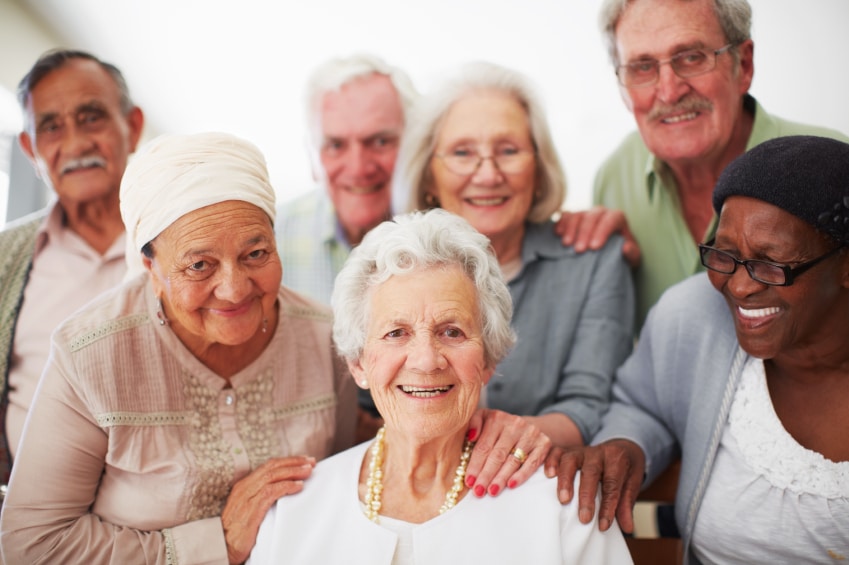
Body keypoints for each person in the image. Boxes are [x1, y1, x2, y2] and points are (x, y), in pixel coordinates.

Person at [0, 131, 357, 564]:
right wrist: (215, 545)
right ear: (151, 268)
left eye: (256, 253)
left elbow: (341, 486)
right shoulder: (90, 355)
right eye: (200, 265)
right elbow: (32, 545)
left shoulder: (323, 336)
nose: (234, 289)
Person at [248, 209, 633, 564]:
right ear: (358, 364)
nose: (426, 360)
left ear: (487, 360)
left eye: (452, 331)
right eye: (396, 333)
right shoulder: (293, 514)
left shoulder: (564, 508)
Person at [551, 136, 849, 564]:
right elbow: (643, 404)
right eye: (724, 255)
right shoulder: (692, 315)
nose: (741, 286)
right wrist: (627, 444)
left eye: (771, 264)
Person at [556, 0, 849, 329]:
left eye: (692, 57)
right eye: (642, 66)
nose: (668, 92)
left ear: (745, 65)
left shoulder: (835, 166)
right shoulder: (615, 177)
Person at [394, 61, 635, 449]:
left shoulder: (595, 262)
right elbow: (366, 399)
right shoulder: (391, 267)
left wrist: (501, 441)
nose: (488, 175)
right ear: (427, 176)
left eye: (508, 150)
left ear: (538, 169)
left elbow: (589, 407)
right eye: (462, 152)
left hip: (538, 488)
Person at [0, 49, 144, 485]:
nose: (77, 144)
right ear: (30, 148)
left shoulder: (187, 243)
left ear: (132, 127)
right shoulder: (6, 258)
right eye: (51, 127)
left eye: (92, 117)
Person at [275, 53, 417, 305]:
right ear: (313, 153)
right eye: (336, 145)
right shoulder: (271, 241)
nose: (358, 168)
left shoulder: (454, 236)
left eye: (380, 141)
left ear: (414, 142)